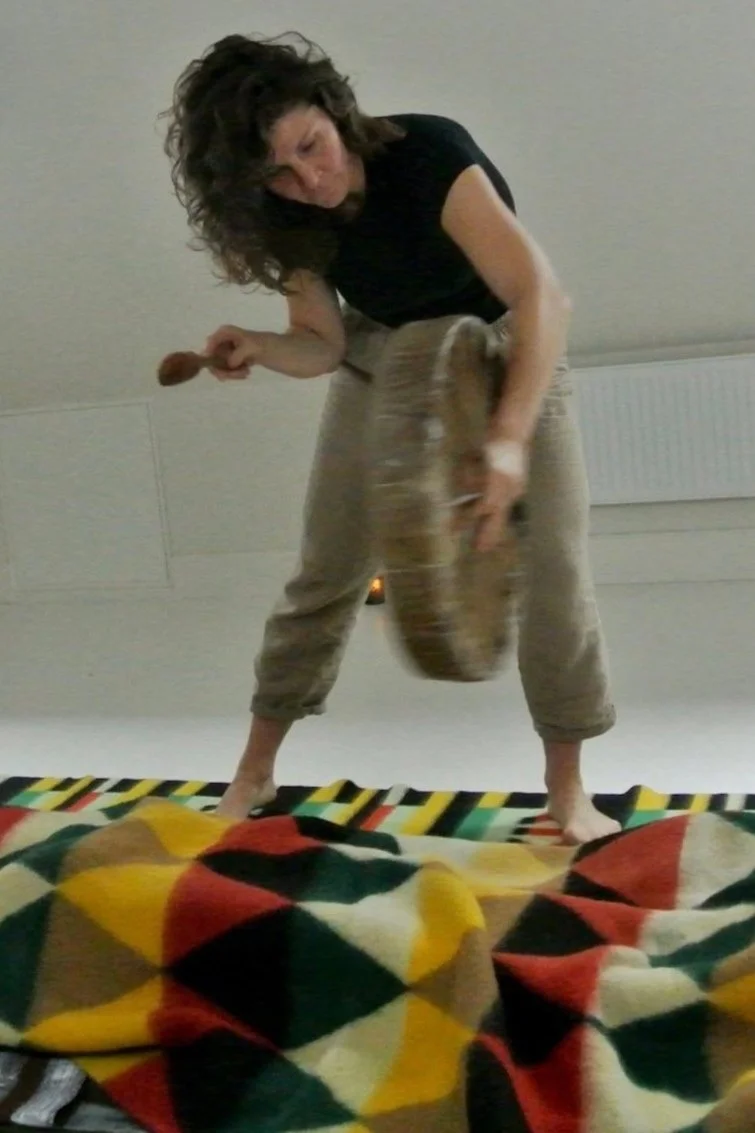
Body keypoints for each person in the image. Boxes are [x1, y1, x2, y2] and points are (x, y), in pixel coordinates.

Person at [163, 32, 620, 844]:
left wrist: (508, 437)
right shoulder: (282, 216)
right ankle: (255, 767)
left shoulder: (429, 155)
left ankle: (567, 790)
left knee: (551, 565)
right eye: (277, 171)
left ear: (334, 109)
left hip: (505, 343)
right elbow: (324, 343)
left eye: (311, 145)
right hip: (385, 356)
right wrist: (264, 347)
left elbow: (540, 294)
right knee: (328, 563)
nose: (309, 179)